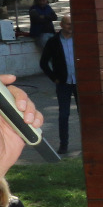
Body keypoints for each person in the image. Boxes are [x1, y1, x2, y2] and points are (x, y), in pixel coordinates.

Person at [38, 15, 78, 155]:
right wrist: (53, 77)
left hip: (80, 82)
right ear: (61, 25)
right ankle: (63, 145)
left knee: (85, 114)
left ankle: (89, 141)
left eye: (72, 24)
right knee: (63, 114)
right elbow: (43, 63)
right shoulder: (53, 41)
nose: (70, 27)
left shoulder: (79, 39)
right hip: (63, 83)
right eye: (68, 24)